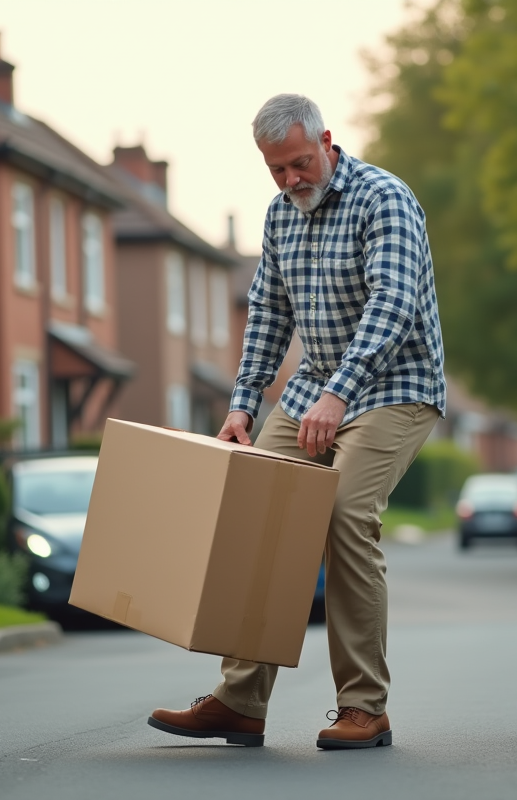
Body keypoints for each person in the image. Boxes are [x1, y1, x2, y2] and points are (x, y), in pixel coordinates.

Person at [147, 94, 446, 750]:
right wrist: (243, 404)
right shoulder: (281, 217)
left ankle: (365, 709)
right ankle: (239, 700)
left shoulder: (383, 199)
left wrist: (339, 395)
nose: (291, 181)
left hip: (397, 387)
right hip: (315, 391)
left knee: (342, 513)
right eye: (276, 170)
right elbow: (268, 314)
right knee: (260, 508)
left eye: (300, 164)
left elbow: (393, 306)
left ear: (328, 141)